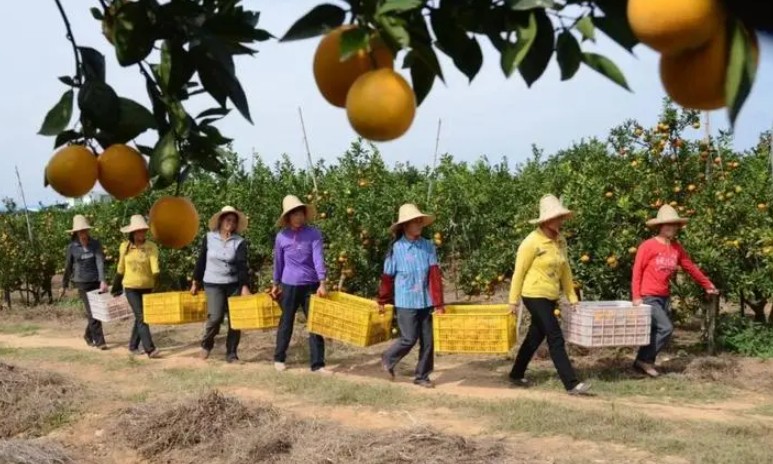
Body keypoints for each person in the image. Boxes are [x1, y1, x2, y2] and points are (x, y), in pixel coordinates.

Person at [507, 194, 591, 396]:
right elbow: (519, 272)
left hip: (551, 294)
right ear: (545, 219)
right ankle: (571, 383)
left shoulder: (560, 241)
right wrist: (513, 301)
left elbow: (566, 271)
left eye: (561, 217)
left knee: (535, 336)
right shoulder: (531, 242)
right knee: (555, 335)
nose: (560, 221)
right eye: (556, 217)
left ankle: (516, 374)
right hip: (533, 294)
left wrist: (572, 297)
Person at [632, 205, 717, 377]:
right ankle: (645, 361)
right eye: (667, 224)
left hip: (664, 296)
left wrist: (707, 284)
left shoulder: (676, 248)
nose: (671, 228)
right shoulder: (647, 246)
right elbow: (637, 271)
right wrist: (636, 296)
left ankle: (642, 362)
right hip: (648, 296)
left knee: (656, 330)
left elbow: (690, 267)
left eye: (674, 225)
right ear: (660, 226)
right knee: (666, 328)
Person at [378, 204, 445, 389]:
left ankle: (422, 376)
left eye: (420, 221)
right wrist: (382, 300)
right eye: (415, 222)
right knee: (409, 338)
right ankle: (388, 358)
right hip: (405, 301)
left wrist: (439, 303)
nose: (419, 224)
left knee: (428, 341)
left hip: (425, 300)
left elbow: (434, 275)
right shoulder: (396, 249)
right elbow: (387, 277)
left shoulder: (428, 245)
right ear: (405, 225)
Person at [271, 195, 330, 374]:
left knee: (315, 323)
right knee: (286, 322)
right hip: (289, 285)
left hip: (311, 284)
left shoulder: (313, 234)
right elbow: (278, 262)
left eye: (300, 213)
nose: (298, 217)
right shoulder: (282, 237)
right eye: (294, 214)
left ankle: (317, 364)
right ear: (288, 217)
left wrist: (322, 282)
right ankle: (279, 358)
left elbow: (318, 258)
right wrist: (276, 283)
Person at [192, 206, 251, 363]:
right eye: (228, 220)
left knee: (235, 320)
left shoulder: (239, 242)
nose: (230, 223)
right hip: (212, 282)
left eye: (233, 221)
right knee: (215, 317)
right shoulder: (209, 237)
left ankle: (231, 353)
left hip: (233, 284)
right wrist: (195, 281)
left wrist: (244, 286)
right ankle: (207, 344)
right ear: (221, 221)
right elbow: (201, 260)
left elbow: (241, 265)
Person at [113, 215, 161, 359]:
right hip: (130, 287)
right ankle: (150, 349)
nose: (141, 234)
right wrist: (116, 287)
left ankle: (133, 345)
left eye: (143, 231)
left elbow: (155, 266)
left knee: (140, 317)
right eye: (138, 231)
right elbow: (120, 268)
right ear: (133, 232)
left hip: (147, 287)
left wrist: (157, 277)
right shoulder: (125, 247)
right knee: (142, 317)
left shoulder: (151, 247)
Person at [61, 215, 109, 350]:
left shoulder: (95, 244)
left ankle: (88, 335)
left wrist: (102, 280)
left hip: (95, 281)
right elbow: (68, 267)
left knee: (98, 311)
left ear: (88, 231)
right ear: (76, 233)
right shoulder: (72, 247)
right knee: (92, 312)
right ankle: (100, 342)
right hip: (82, 282)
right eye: (80, 231)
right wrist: (64, 285)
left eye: (85, 231)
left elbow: (99, 262)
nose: (83, 234)